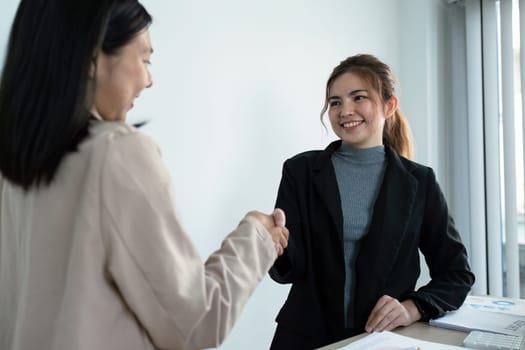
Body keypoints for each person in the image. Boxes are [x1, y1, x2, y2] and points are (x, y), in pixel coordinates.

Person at [0, 1, 289, 349]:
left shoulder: (15, 164)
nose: (148, 79)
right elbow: (196, 324)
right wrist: (256, 238)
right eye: (144, 59)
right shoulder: (115, 154)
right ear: (93, 57)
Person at [268, 53, 475, 349]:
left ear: (389, 105)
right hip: (304, 336)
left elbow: (456, 274)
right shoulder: (300, 171)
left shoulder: (420, 182)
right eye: (335, 102)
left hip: (381, 340)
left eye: (358, 98)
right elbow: (291, 267)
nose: (344, 111)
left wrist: (411, 308)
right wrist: (274, 247)